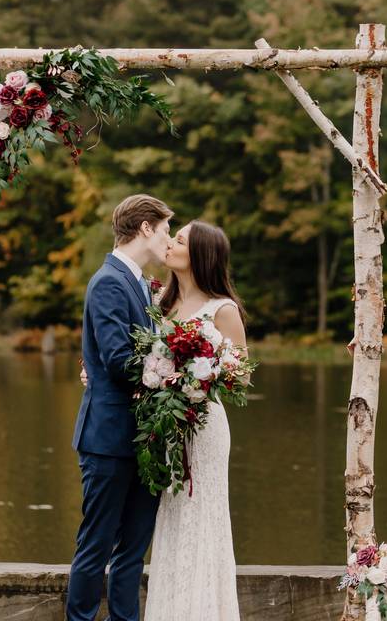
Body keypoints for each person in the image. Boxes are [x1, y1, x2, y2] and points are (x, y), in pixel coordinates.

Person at [78, 220, 248, 620]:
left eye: (180, 239)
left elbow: (240, 374)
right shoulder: (158, 304)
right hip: (164, 431)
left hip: (202, 428)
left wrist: (199, 378)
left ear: (200, 255)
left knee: (202, 522)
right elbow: (127, 354)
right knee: (167, 528)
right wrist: (94, 370)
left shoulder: (223, 310)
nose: (170, 243)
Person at [67, 193, 173, 621]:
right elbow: (116, 360)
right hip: (108, 438)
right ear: (145, 227)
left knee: (132, 550)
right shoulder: (109, 281)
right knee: (96, 545)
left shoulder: (139, 283)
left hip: (142, 439)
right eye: (165, 228)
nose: (168, 238)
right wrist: (177, 373)